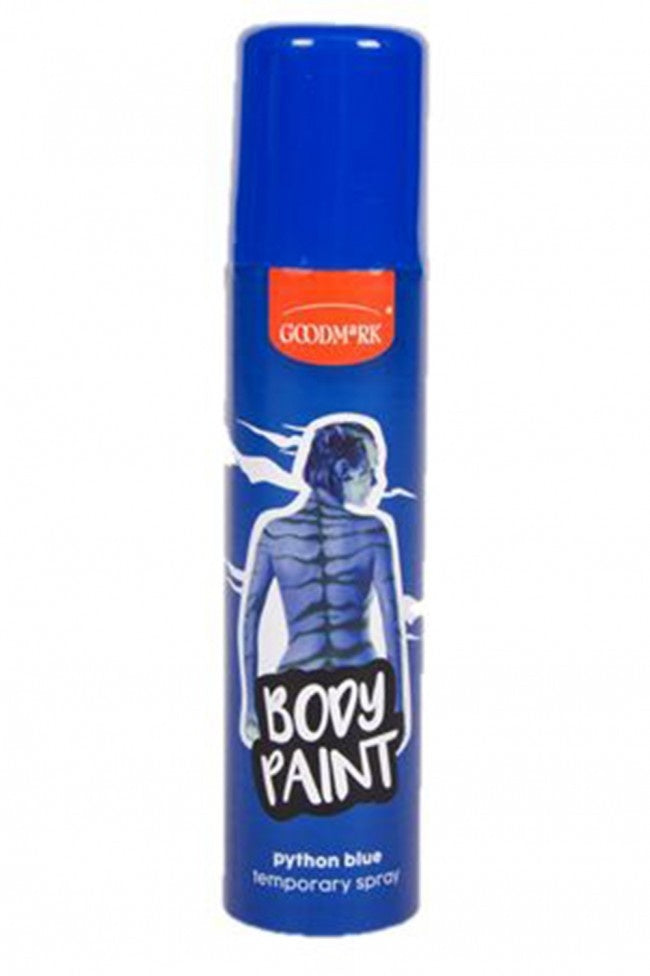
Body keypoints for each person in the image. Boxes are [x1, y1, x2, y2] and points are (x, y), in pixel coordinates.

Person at [241, 422, 405, 743]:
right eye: (369, 471)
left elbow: (250, 619)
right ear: (343, 471)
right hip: (358, 694)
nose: (377, 481)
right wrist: (396, 706)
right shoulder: (372, 533)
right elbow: (393, 624)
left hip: (301, 691)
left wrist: (251, 707)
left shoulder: (276, 535)